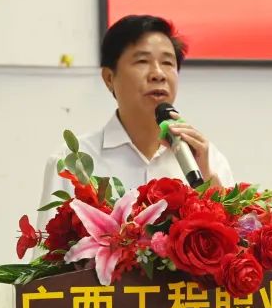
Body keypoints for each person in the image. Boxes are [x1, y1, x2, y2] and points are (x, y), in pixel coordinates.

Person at [38, 15, 234, 225]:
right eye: (142, 61)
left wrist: (208, 182)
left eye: (167, 62)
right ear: (109, 78)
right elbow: (50, 244)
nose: (158, 74)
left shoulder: (207, 159)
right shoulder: (73, 161)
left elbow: (237, 238)